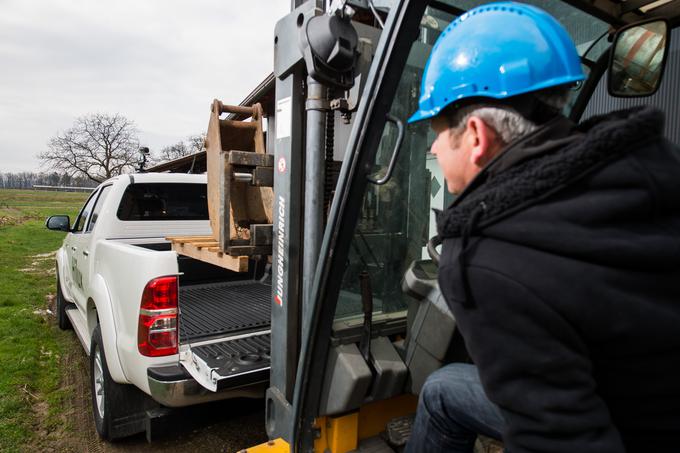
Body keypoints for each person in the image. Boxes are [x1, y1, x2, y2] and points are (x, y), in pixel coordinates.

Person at [405, 2, 680, 452]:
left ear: (475, 135)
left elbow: (561, 441)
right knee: (444, 388)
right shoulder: (645, 170)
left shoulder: (488, 257)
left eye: (436, 127)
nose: (434, 143)